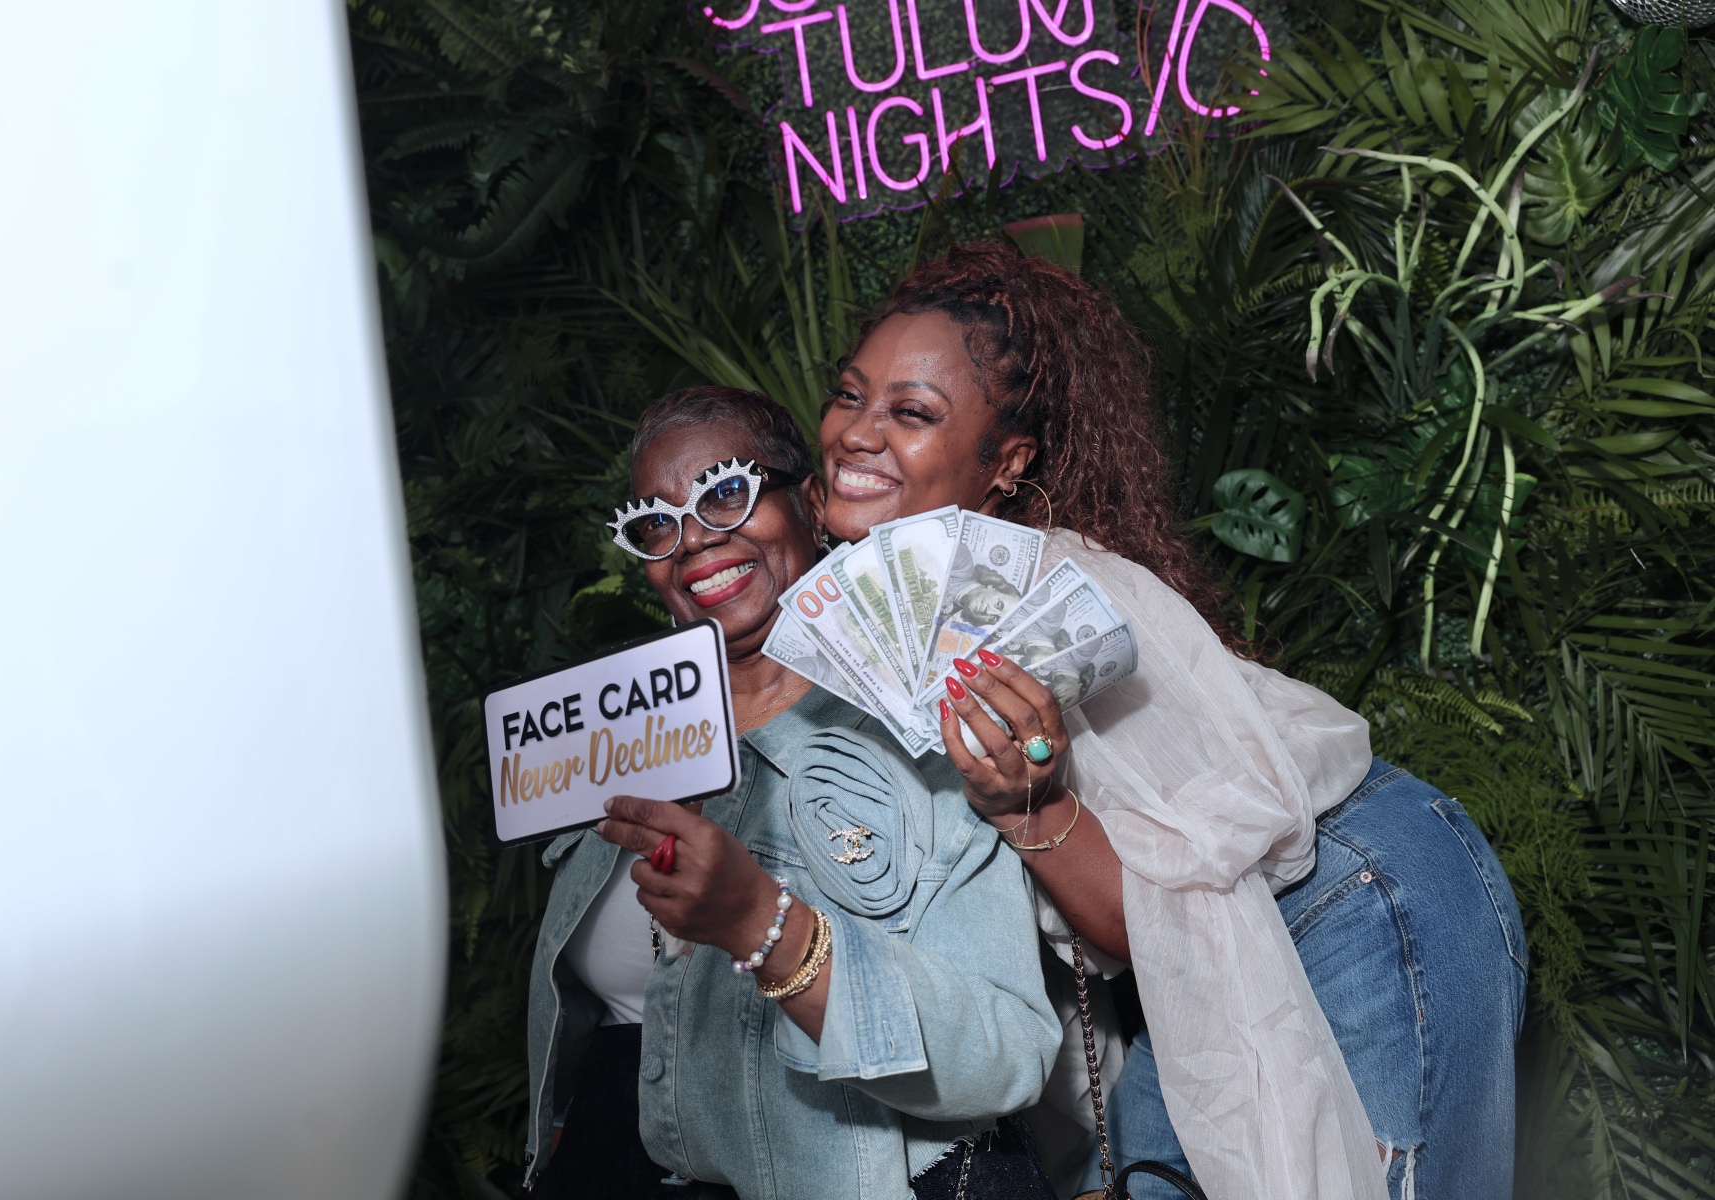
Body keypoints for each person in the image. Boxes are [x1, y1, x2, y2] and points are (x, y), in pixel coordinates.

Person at [817, 244, 1527, 1200]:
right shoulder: (897, 615)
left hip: (1350, 895)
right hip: (1205, 957)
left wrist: (1028, 807)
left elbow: (1155, 902)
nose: (858, 433)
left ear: (1008, 462)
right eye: (849, 395)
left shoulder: (1053, 589)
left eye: (911, 413)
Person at [524, 385, 1064, 1200]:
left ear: (810, 504)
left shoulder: (928, 734)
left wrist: (763, 925)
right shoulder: (618, 735)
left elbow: (1006, 1057)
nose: (693, 539)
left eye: (725, 493)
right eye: (655, 525)